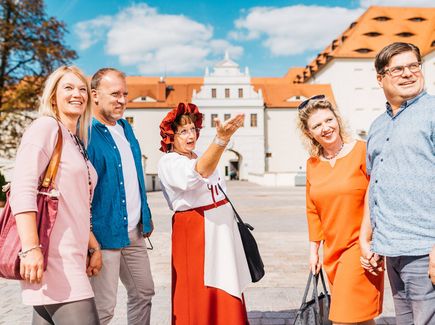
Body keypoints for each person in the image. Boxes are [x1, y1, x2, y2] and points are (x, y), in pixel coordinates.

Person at [9, 66, 101, 324]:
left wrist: (92, 245)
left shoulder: (73, 140)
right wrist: (29, 249)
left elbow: (75, 206)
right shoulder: (46, 127)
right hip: (53, 258)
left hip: (71, 256)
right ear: (53, 97)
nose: (77, 94)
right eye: (68, 88)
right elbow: (22, 188)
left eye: (82, 89)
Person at [360, 42, 435, 325]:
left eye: (414, 65)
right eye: (398, 69)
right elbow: (374, 185)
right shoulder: (378, 125)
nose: (408, 73)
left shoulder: (432, 112)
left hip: (425, 249)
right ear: (380, 78)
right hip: (390, 249)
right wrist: (366, 237)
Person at [157, 102, 250, 325]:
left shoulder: (198, 155)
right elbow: (199, 172)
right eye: (183, 131)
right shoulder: (169, 162)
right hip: (195, 229)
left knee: (227, 284)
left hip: (220, 228)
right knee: (198, 290)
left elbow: (218, 187)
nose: (190, 136)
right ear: (171, 136)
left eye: (193, 130)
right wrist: (221, 140)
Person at [296, 96, 383, 325]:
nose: (325, 128)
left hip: (360, 248)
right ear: (309, 133)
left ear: (337, 119)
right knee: (360, 319)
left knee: (341, 319)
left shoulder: (362, 151)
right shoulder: (312, 164)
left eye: (328, 120)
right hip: (332, 253)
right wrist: (314, 250)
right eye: (317, 125)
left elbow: (378, 197)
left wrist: (375, 243)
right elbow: (312, 209)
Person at [87, 68, 155, 325]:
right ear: (94, 95)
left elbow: (135, 175)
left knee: (143, 291)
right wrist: (89, 238)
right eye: (115, 94)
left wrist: (145, 214)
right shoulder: (86, 133)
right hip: (103, 235)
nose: (122, 100)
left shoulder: (126, 128)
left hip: (134, 232)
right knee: (103, 309)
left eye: (125, 94)